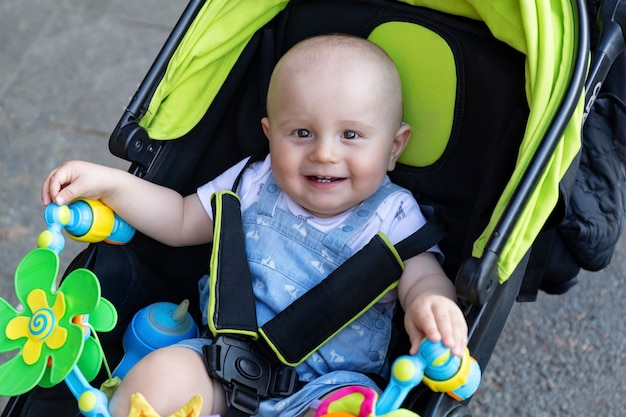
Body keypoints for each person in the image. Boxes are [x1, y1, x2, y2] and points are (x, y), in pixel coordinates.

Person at [42, 34, 468, 417]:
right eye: (301, 132)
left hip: (325, 389)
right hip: (221, 360)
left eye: (351, 136)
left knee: (351, 411)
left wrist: (431, 303)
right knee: (160, 374)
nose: (323, 153)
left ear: (394, 147)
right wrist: (113, 184)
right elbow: (179, 217)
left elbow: (421, 277)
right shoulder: (253, 181)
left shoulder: (392, 213)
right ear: (270, 134)